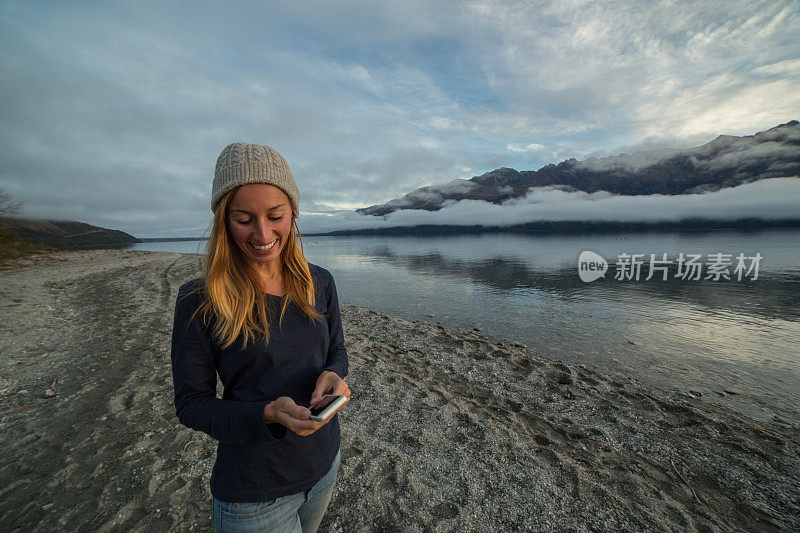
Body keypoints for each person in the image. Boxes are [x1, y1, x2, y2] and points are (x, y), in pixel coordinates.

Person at [170, 142, 351, 532]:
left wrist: (335, 375)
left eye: (275, 215)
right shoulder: (198, 300)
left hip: (324, 466)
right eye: (244, 218)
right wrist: (267, 414)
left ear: (292, 214)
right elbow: (191, 405)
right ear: (224, 221)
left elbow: (337, 351)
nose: (263, 233)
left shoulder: (319, 281)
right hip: (254, 493)